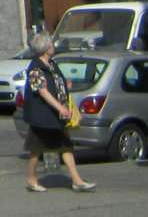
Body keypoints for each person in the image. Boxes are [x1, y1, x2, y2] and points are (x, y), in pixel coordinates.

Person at [22, 30, 95, 194]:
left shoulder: (51, 64)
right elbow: (42, 91)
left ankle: (77, 180)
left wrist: (64, 86)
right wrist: (60, 107)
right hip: (42, 116)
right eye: (50, 43)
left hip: (53, 116)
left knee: (66, 146)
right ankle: (31, 178)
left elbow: (53, 84)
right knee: (36, 149)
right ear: (45, 47)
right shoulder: (35, 68)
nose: (52, 46)